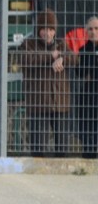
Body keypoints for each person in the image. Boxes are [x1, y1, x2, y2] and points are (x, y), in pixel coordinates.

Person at [16, 9, 78, 157]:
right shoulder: (28, 44)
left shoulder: (61, 44)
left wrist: (62, 58)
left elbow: (75, 59)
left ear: (55, 31)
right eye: (44, 29)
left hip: (60, 103)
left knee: (62, 146)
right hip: (38, 103)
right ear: (38, 30)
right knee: (38, 147)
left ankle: (61, 173)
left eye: (51, 29)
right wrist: (50, 56)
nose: (48, 33)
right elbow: (25, 60)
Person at [76, 17, 98, 159]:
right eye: (90, 29)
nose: (93, 31)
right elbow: (81, 72)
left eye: (96, 28)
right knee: (86, 125)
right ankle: (88, 156)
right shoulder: (84, 49)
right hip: (89, 92)